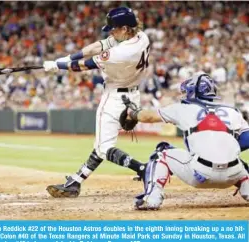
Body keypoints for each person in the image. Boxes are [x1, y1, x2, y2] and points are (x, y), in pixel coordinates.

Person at [43, 7, 150, 198]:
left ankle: (143, 169)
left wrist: (58, 66)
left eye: (114, 28)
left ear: (125, 28)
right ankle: (75, 182)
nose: (111, 32)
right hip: (132, 96)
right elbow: (100, 45)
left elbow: (85, 65)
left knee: (104, 148)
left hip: (115, 97)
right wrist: (68, 57)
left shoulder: (122, 52)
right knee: (103, 143)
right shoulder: (141, 37)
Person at [124, 72, 249, 210]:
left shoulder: (183, 108)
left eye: (186, 91)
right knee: (240, 164)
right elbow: (246, 140)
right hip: (233, 174)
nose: (184, 94)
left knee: (162, 153)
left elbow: (148, 117)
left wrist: (132, 112)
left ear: (192, 92)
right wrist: (224, 151)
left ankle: (152, 198)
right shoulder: (233, 111)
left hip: (200, 174)